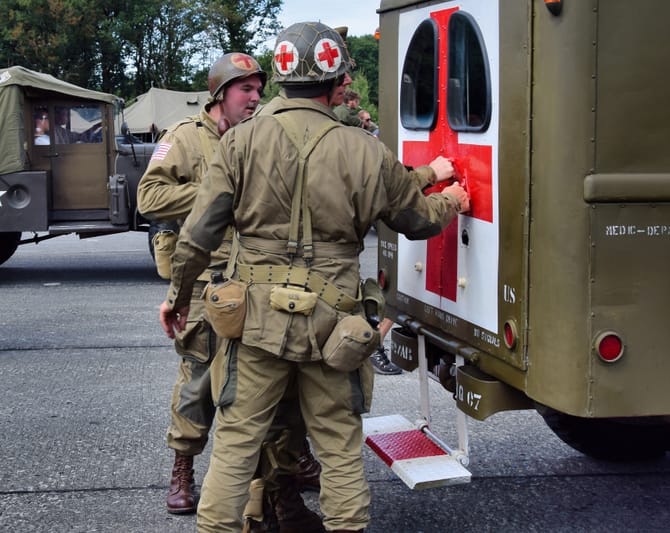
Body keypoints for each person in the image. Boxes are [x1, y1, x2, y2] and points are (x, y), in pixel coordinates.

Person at [158, 21, 470, 533]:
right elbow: (416, 219)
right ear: (336, 78)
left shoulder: (237, 144)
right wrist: (452, 201)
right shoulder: (365, 149)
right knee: (339, 445)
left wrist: (178, 296)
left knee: (236, 441)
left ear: (281, 76)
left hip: (254, 322)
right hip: (334, 324)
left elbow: (197, 235)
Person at [137, 52, 322, 532]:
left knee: (260, 385)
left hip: (253, 280)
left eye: (260, 90)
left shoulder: (258, 137)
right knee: (198, 378)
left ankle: (277, 480)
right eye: (247, 90)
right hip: (202, 281)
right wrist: (216, 190)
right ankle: (183, 468)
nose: (257, 98)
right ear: (221, 93)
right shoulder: (182, 137)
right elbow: (149, 197)